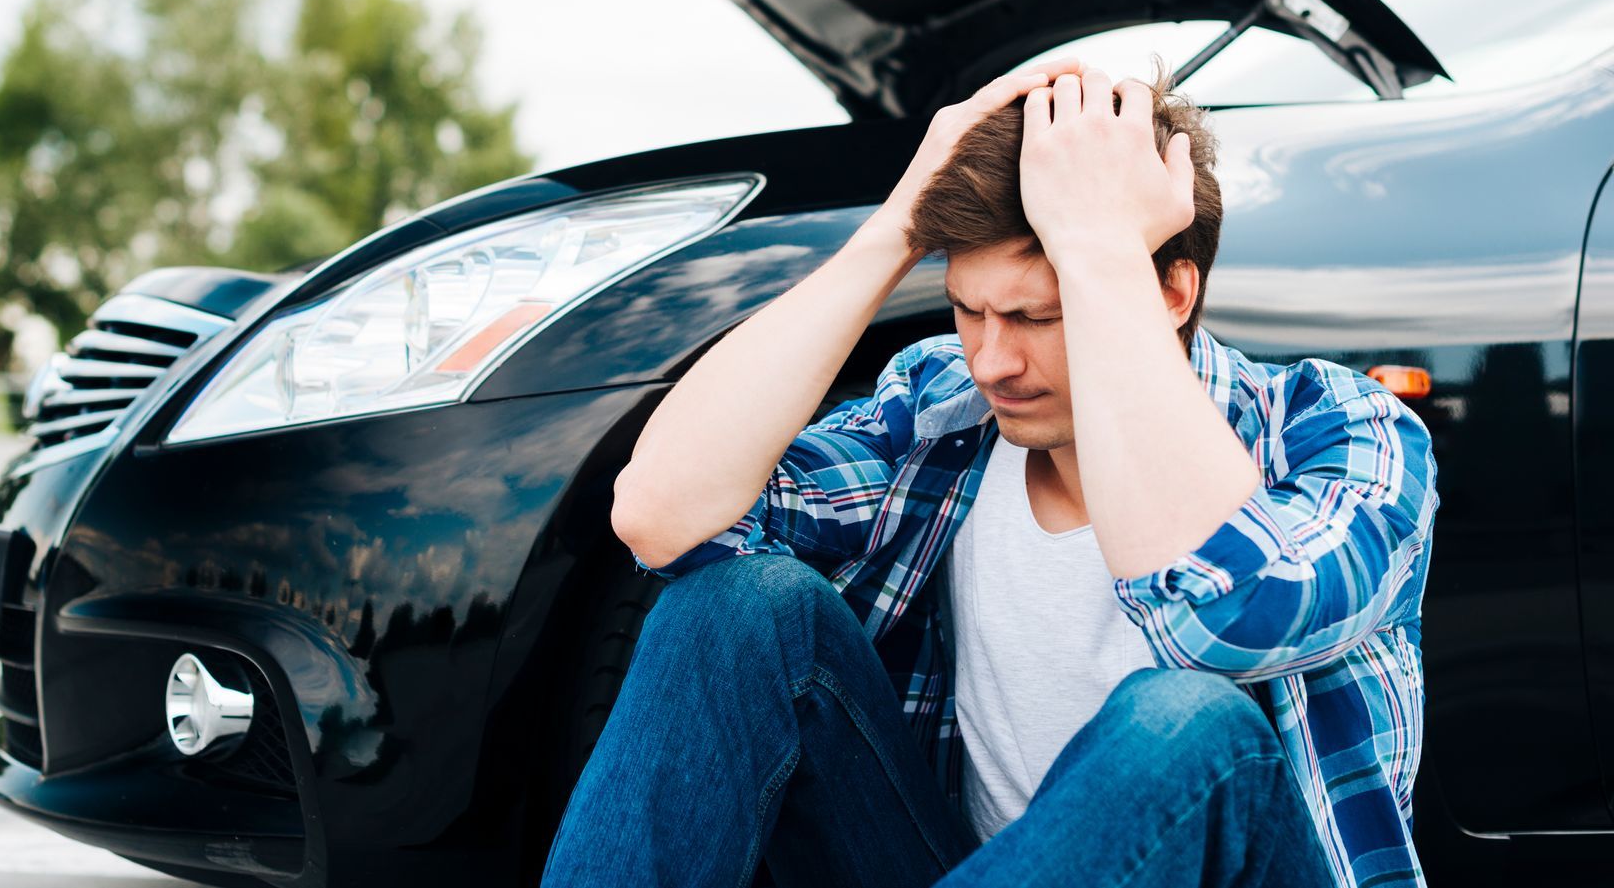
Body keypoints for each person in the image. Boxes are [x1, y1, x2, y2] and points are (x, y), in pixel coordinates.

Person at [541, 61, 1439, 888]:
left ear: (1170, 291)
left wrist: (1096, 251)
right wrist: (897, 225)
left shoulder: (1342, 431)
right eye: (969, 310)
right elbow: (663, 514)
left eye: (1038, 315)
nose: (993, 362)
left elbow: (1216, 617)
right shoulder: (944, 418)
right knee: (738, 607)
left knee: (1188, 721)